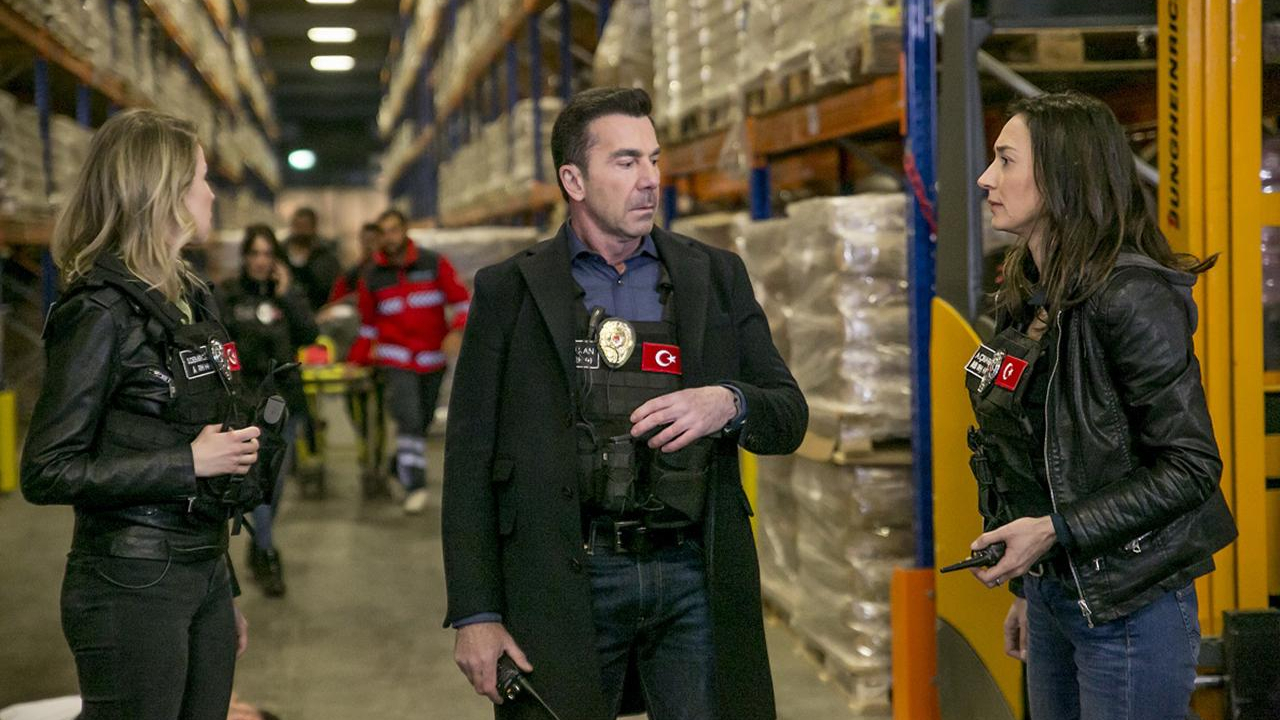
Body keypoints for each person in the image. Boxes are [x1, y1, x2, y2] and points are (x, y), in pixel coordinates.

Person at [442, 87, 807, 720]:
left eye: (654, 159)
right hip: (566, 576)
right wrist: (476, 612)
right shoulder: (510, 292)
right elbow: (469, 458)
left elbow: (788, 415)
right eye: (627, 161)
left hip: (692, 573)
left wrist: (727, 402)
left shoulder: (714, 276)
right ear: (574, 180)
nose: (650, 179)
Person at [964, 91, 1237, 720]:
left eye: (1005, 160)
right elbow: (1032, 457)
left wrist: (1053, 533)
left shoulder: (1130, 297)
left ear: (1064, 175)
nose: (986, 178)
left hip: (1129, 606)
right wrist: (1029, 588)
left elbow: (1191, 466)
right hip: (1055, 596)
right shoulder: (1027, 296)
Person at [21, 109, 261, 719]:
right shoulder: (98, 312)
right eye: (201, 178)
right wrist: (187, 463)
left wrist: (220, 586)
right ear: (163, 193)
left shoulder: (190, 300)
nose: (212, 193)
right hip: (131, 577)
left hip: (201, 567)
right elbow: (47, 470)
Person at [216, 225, 319, 597]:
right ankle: (268, 553)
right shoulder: (229, 295)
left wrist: (287, 294)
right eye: (254, 253)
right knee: (256, 484)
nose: (260, 261)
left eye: (267, 254)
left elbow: (309, 334)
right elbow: (217, 345)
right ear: (245, 256)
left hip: (284, 402)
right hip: (245, 404)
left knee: (274, 487)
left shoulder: (287, 295)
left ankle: (260, 546)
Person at [347, 208, 470, 513]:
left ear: (404, 231)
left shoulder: (433, 263)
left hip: (432, 360)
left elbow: (462, 303)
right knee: (409, 419)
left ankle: (397, 464)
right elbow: (368, 326)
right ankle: (415, 485)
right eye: (383, 232)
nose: (389, 238)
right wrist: (356, 360)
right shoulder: (372, 275)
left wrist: (457, 331)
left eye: (394, 230)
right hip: (396, 360)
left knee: (422, 421)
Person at [283, 206, 341, 312]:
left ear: (313, 227)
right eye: (297, 226)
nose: (300, 231)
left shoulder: (325, 255)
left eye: (305, 226)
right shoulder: (281, 252)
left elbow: (334, 286)